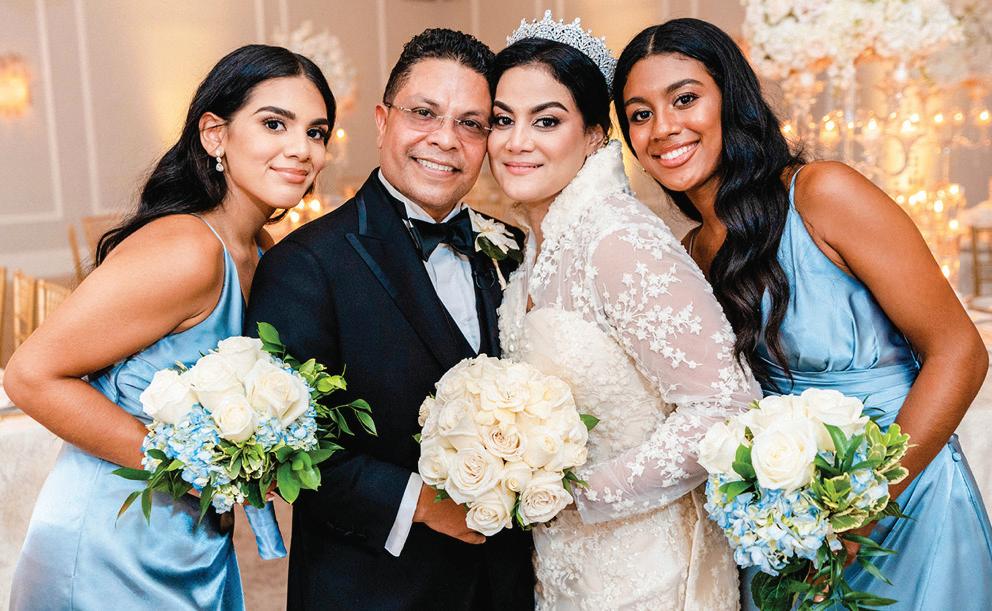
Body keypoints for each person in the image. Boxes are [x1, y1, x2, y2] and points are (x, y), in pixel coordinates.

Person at [614, 17, 992, 610]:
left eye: (685, 99)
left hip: (907, 501)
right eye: (640, 114)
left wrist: (863, 510)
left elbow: (961, 352)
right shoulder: (688, 253)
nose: (663, 128)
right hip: (791, 529)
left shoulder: (823, 194)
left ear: (731, 100)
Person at [4, 44, 334, 610]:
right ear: (215, 134)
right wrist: (196, 467)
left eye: (316, 132)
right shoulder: (188, 249)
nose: (301, 149)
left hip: (190, 542)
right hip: (111, 547)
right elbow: (29, 376)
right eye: (274, 124)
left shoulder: (261, 249)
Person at [244, 28, 534, 611]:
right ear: (382, 121)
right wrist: (420, 503)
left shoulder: (513, 247)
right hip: (372, 587)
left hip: (506, 584)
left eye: (471, 123)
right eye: (424, 113)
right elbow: (285, 448)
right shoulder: (305, 264)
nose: (445, 139)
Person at [489, 12, 759, 609]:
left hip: (652, 572)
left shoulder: (618, 239)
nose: (516, 141)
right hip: (565, 569)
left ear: (595, 135)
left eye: (546, 121)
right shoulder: (535, 249)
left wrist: (576, 493)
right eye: (502, 120)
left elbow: (725, 407)